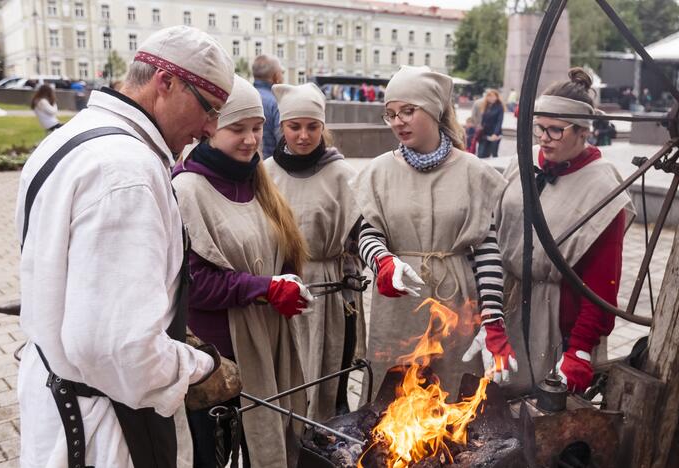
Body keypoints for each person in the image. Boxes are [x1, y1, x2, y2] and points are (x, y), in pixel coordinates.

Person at [15, 25, 239, 468]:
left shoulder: (74, 135)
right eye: (209, 108)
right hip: (104, 431)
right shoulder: (127, 173)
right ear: (166, 81)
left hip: (63, 400)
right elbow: (119, 350)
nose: (211, 128)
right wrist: (199, 367)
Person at [351, 66, 517, 397]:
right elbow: (368, 234)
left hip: (455, 304)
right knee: (393, 402)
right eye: (391, 114)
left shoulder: (473, 172)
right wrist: (383, 261)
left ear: (434, 110)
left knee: (453, 399)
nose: (398, 121)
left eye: (408, 111)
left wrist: (493, 318)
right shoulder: (379, 172)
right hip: (399, 305)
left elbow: (487, 250)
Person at [173, 75, 313, 468]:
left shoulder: (256, 179)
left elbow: (279, 248)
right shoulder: (188, 189)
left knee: (264, 446)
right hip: (218, 356)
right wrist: (265, 288)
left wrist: (287, 282)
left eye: (256, 128)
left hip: (266, 343)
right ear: (210, 127)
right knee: (214, 456)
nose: (251, 140)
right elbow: (194, 284)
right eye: (238, 129)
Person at [496, 68, 636, 396]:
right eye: (539, 128)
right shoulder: (523, 161)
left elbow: (602, 283)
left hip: (556, 320)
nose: (544, 138)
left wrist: (580, 350)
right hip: (507, 306)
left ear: (584, 132)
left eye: (556, 130)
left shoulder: (601, 186)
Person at [266, 82, 365, 420]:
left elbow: (360, 235)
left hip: (331, 289)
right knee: (287, 376)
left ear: (323, 127)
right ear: (282, 127)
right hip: (282, 287)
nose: (304, 135)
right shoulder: (265, 174)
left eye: (312, 126)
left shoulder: (343, 175)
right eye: (295, 127)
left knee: (329, 378)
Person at [252, 54, 284, 158]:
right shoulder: (276, 103)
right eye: (281, 73)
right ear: (276, 76)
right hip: (270, 167)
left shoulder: (245, 97)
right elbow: (283, 143)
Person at [477, 88, 504, 159]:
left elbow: (499, 121)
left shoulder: (499, 107)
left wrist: (495, 133)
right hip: (484, 134)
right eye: (489, 96)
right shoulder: (485, 105)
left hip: (494, 134)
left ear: (496, 97)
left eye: (493, 96)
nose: (491, 98)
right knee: (481, 153)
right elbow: (483, 119)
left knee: (493, 153)